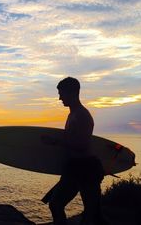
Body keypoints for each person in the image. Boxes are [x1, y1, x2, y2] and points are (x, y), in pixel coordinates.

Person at [41, 77, 108, 225]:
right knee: (56, 204)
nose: (59, 98)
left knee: (92, 215)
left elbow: (82, 145)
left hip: (86, 169)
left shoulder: (82, 115)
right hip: (74, 168)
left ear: (72, 92)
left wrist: (55, 142)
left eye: (61, 93)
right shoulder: (72, 114)